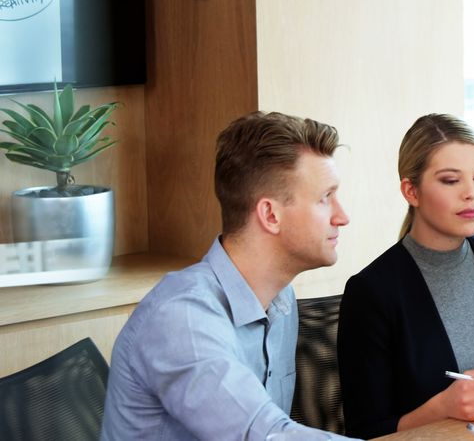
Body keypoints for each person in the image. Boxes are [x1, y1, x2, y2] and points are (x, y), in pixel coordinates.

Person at [101, 111, 353, 440]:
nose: (342, 216)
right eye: (325, 198)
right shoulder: (182, 318)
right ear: (270, 215)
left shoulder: (281, 300)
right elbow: (265, 435)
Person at [337, 114, 474, 439]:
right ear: (411, 191)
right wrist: (442, 406)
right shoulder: (371, 291)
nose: (471, 193)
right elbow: (366, 430)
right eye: (450, 180)